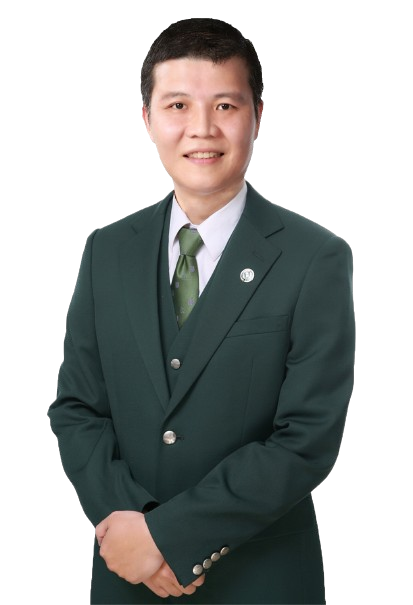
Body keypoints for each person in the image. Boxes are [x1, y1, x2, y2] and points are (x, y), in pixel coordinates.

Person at [48, 17, 355, 604]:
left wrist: (170, 537)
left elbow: (306, 439)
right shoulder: (106, 249)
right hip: (126, 575)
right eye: (178, 105)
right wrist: (135, 531)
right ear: (147, 118)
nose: (202, 129)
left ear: (258, 115)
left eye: (225, 106)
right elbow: (78, 408)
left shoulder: (316, 257)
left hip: (263, 581)